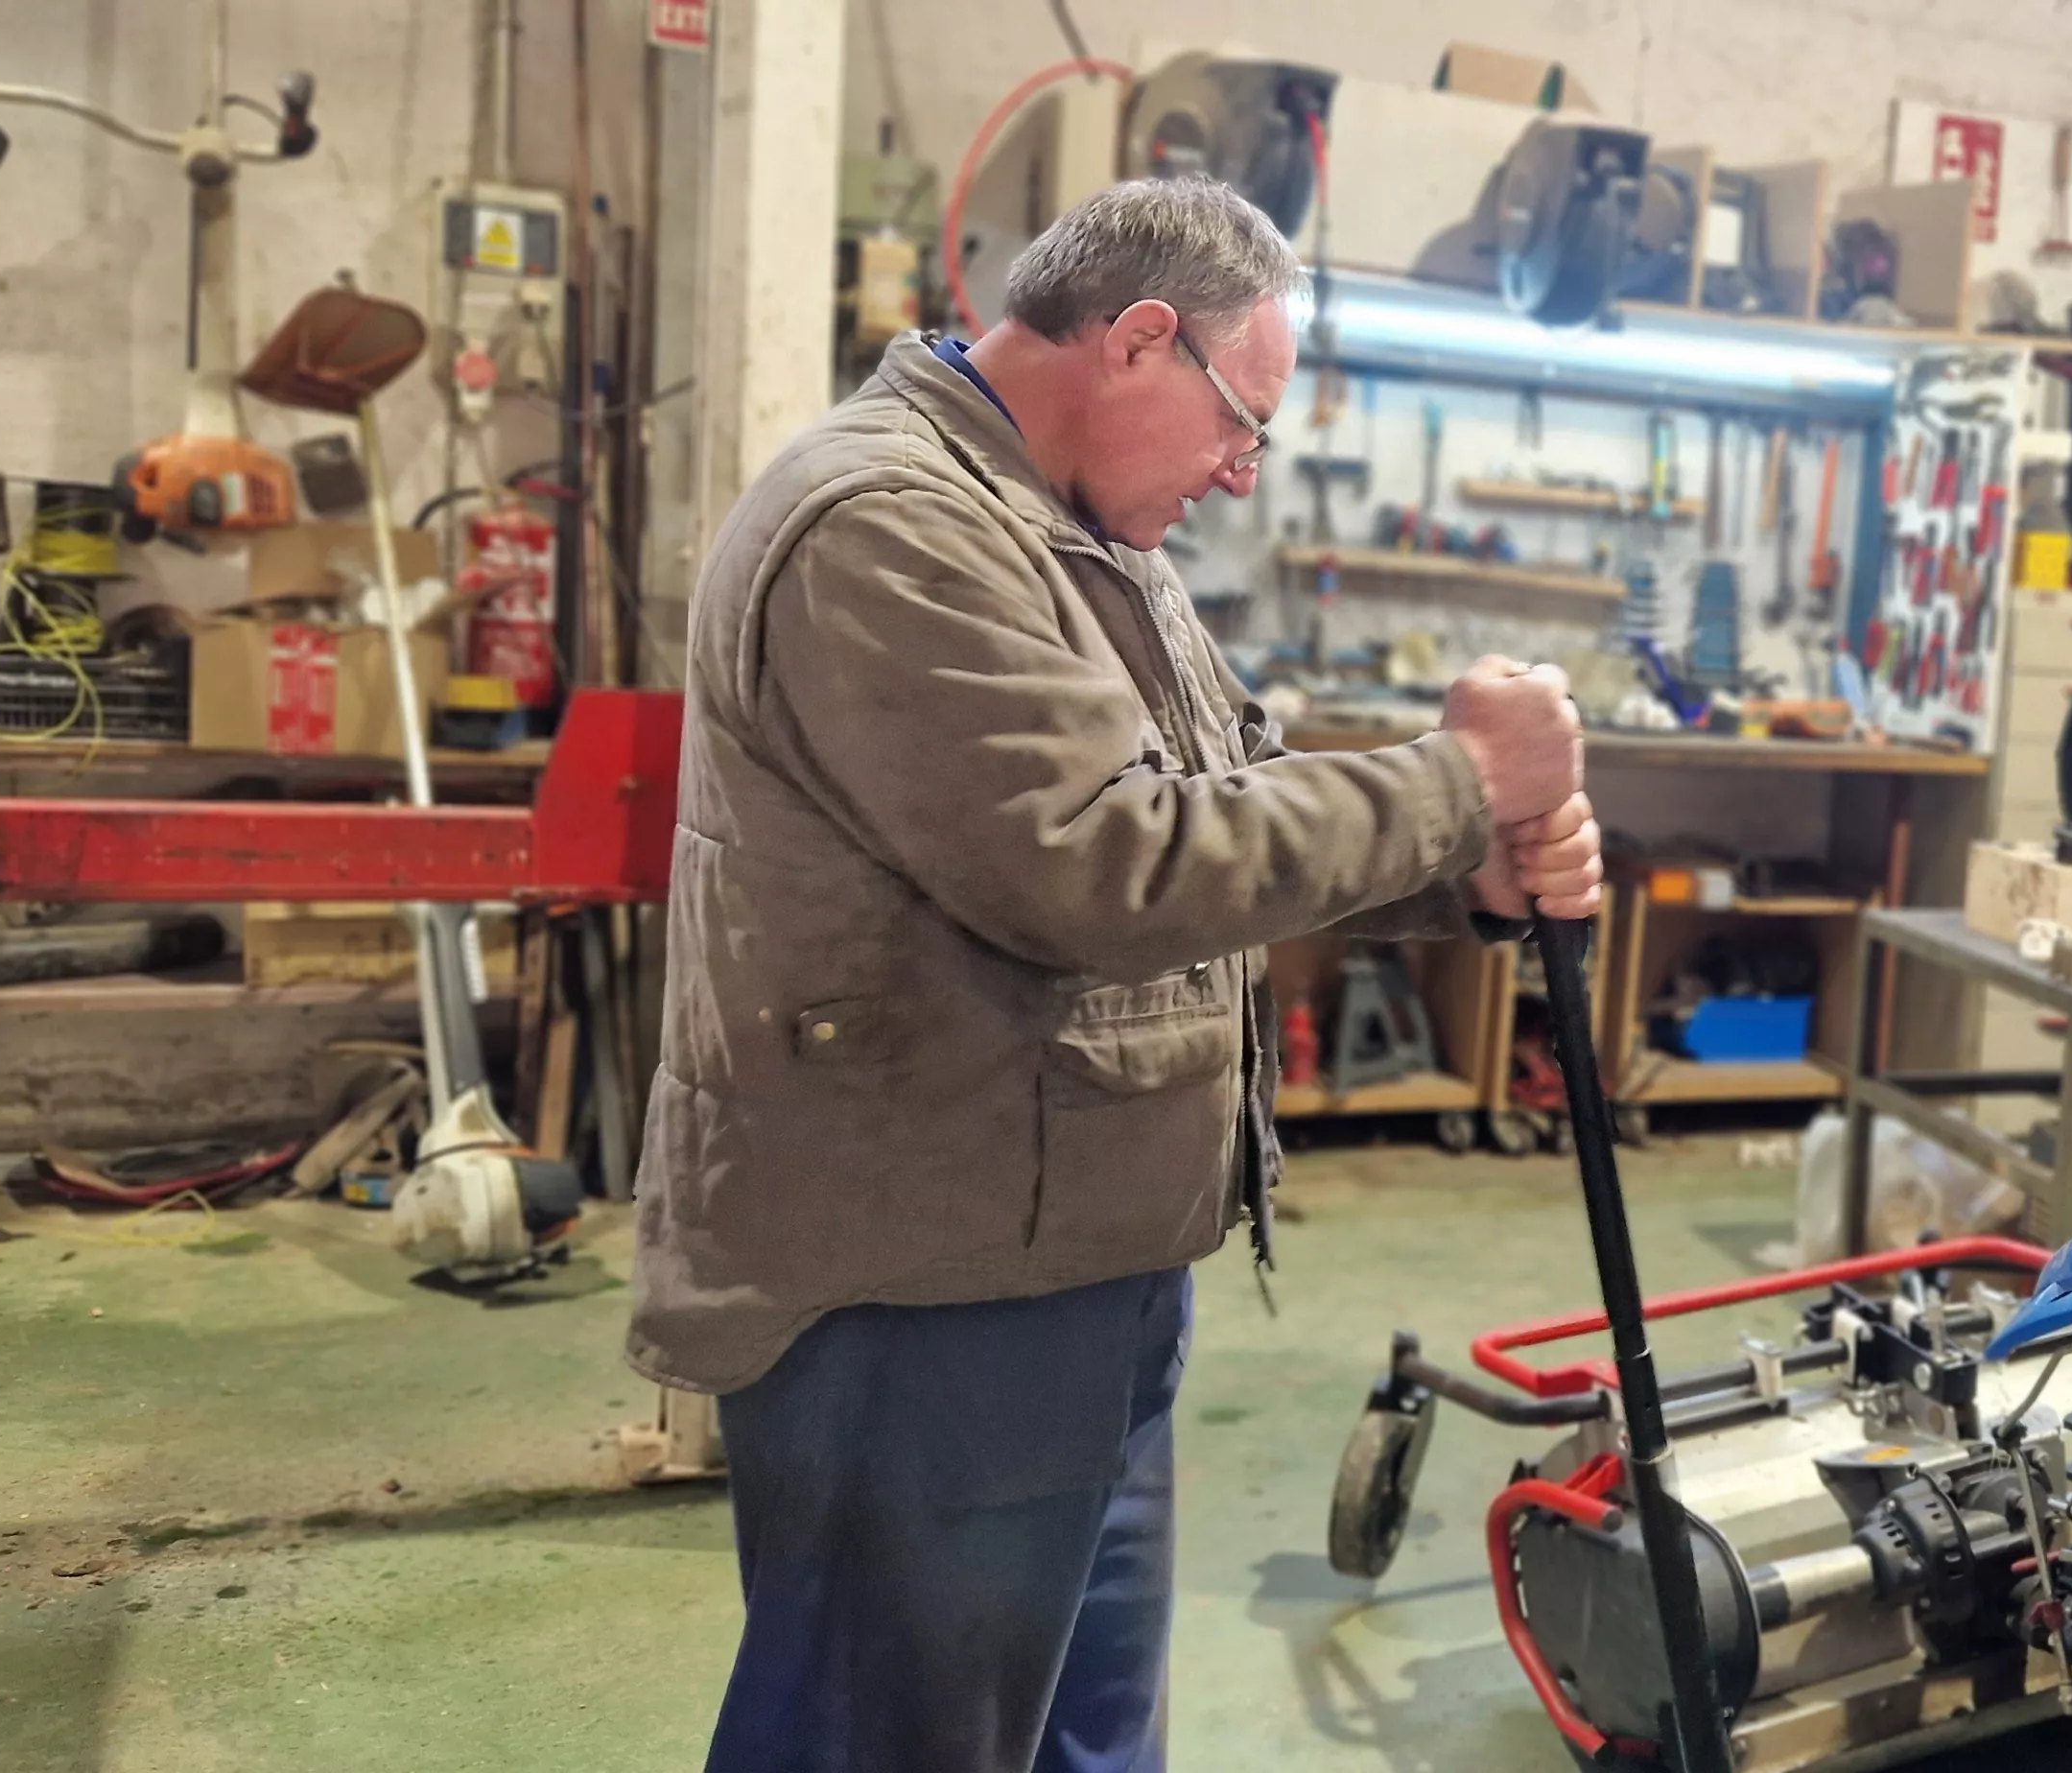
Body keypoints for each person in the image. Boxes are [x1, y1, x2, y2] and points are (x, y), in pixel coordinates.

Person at [628, 178, 1605, 1772]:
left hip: (1073, 1256)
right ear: (1139, 339)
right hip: (922, 1286)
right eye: (1241, 422)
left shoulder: (1067, 526)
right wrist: (1448, 778)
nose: (1243, 469)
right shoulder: (888, 521)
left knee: (1081, 1737)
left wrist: (1469, 870)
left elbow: (1233, 782)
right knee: (897, 1740)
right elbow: (1093, 858)